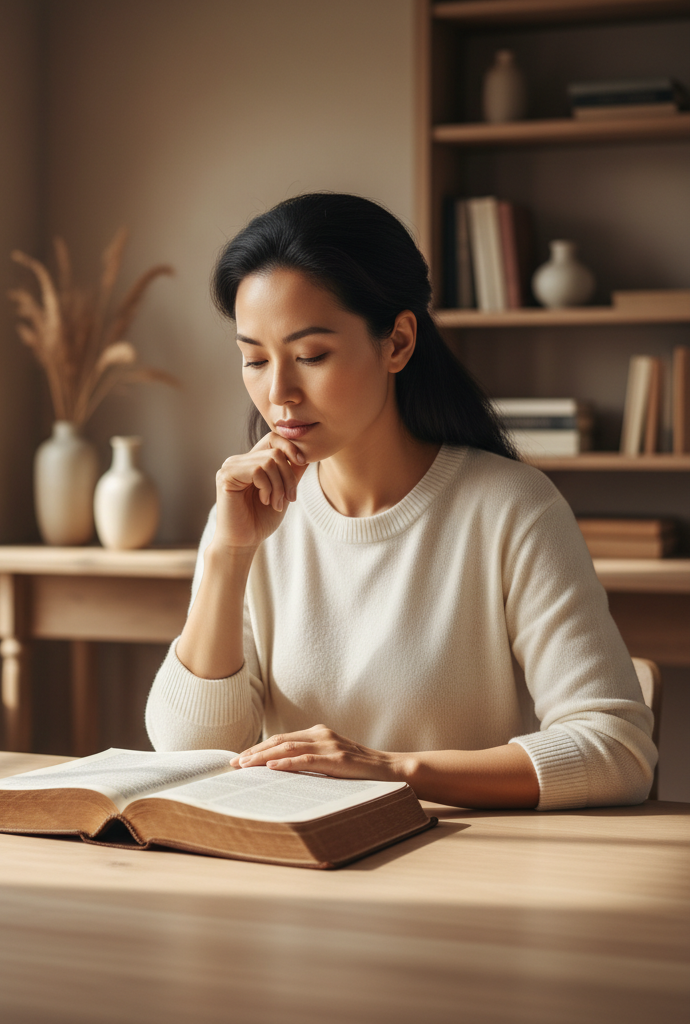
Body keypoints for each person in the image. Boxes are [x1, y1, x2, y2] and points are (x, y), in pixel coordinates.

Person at [144, 193, 656, 810]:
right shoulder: (252, 511)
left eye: (311, 356)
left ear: (398, 342)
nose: (278, 392)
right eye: (254, 359)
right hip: (296, 874)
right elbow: (187, 750)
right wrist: (230, 554)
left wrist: (391, 769)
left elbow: (617, 749)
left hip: (459, 878)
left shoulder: (511, 509)